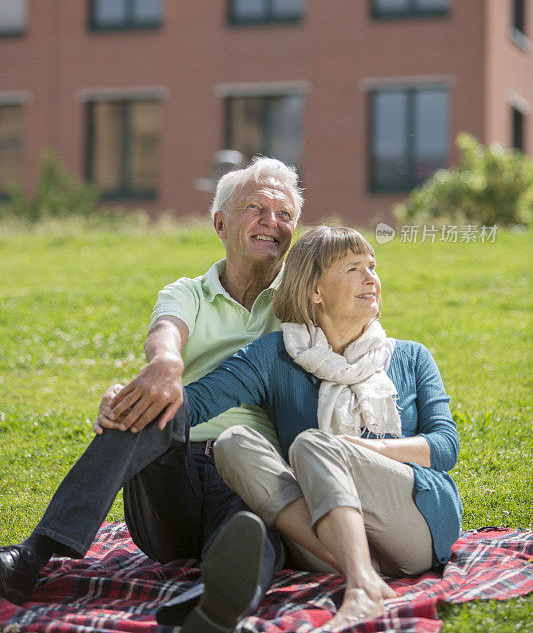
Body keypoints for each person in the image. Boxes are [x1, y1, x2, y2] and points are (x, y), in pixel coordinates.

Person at [0, 157, 303, 633]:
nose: (272, 223)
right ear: (220, 223)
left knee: (258, 524)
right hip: (170, 483)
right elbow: (166, 333)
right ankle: (32, 556)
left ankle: (214, 599)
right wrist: (164, 364)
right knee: (150, 406)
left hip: (251, 469)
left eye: (285, 215)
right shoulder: (188, 293)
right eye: (256, 209)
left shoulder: (301, 301)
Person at [175, 225, 463, 631]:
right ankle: (361, 569)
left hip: (414, 525)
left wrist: (360, 451)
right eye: (352, 269)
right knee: (232, 443)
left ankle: (363, 589)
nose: (371, 279)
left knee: (314, 445)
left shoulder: (412, 357)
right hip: (319, 536)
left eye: (372, 267)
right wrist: (138, 394)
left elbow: (445, 446)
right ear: (315, 291)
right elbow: (197, 403)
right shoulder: (274, 356)